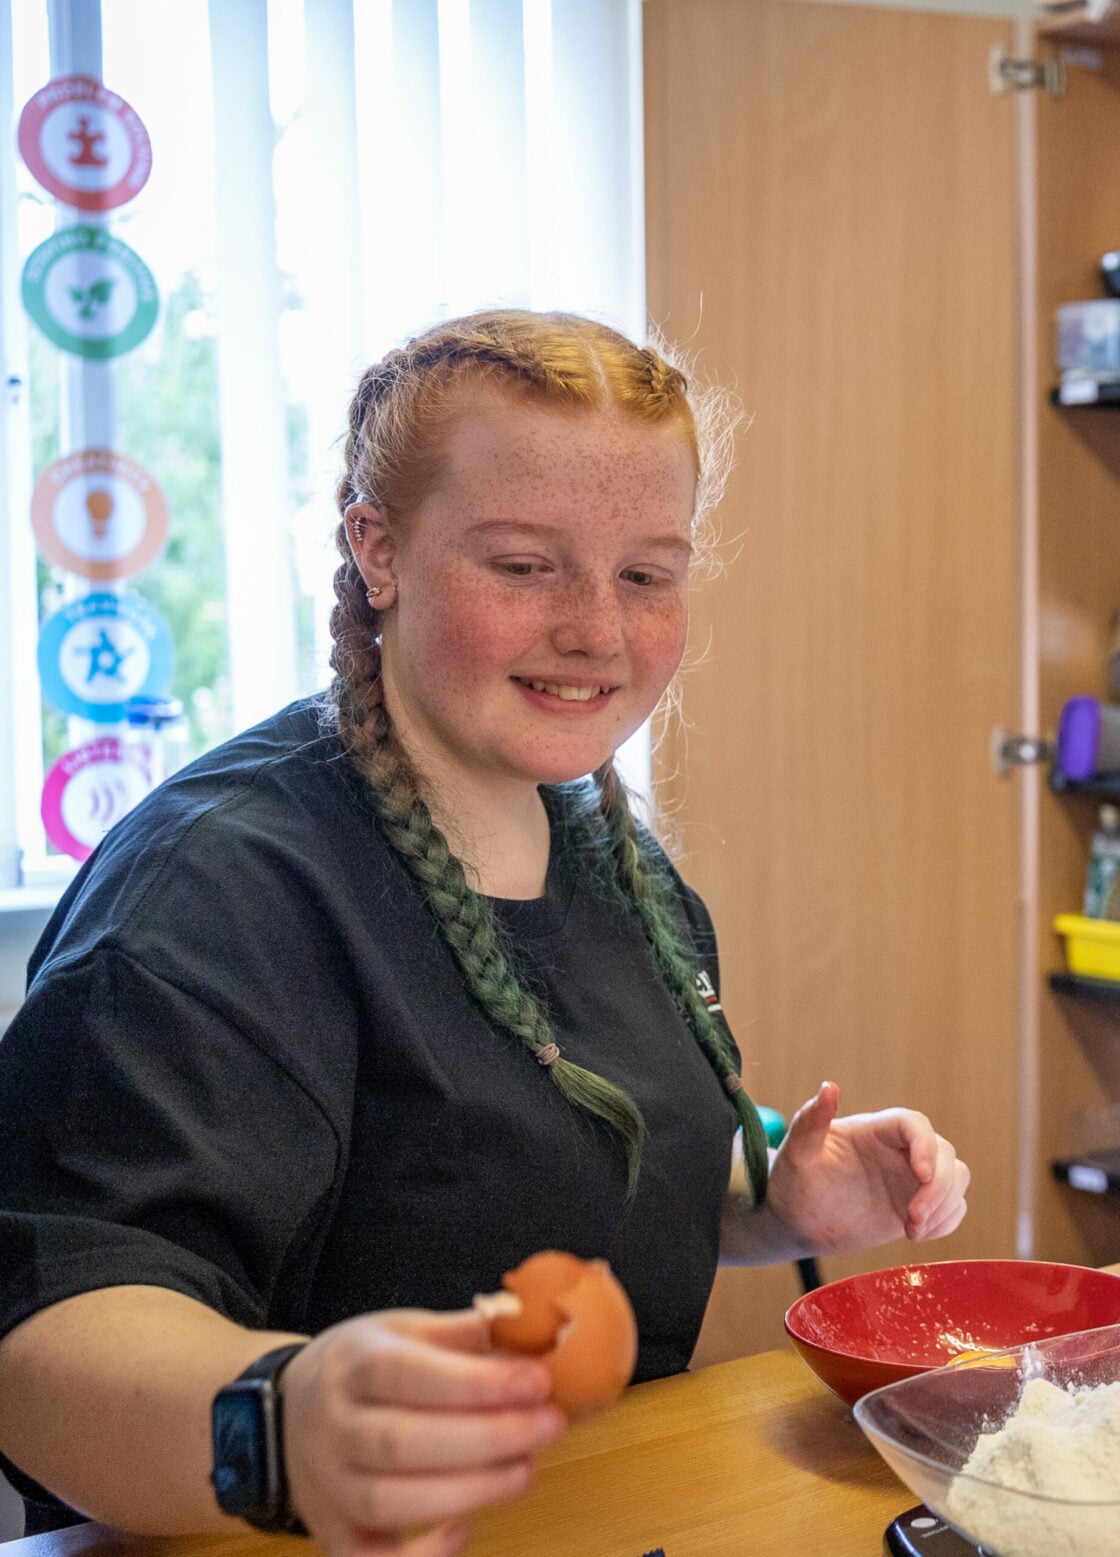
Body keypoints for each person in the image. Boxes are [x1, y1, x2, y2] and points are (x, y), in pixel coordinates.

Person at [0, 309, 969, 1557]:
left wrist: (766, 1195)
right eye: (523, 566)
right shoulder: (219, 889)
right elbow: (44, 1328)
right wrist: (288, 1433)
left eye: (645, 574)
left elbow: (547, 1169)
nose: (597, 631)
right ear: (378, 548)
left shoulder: (621, 872)